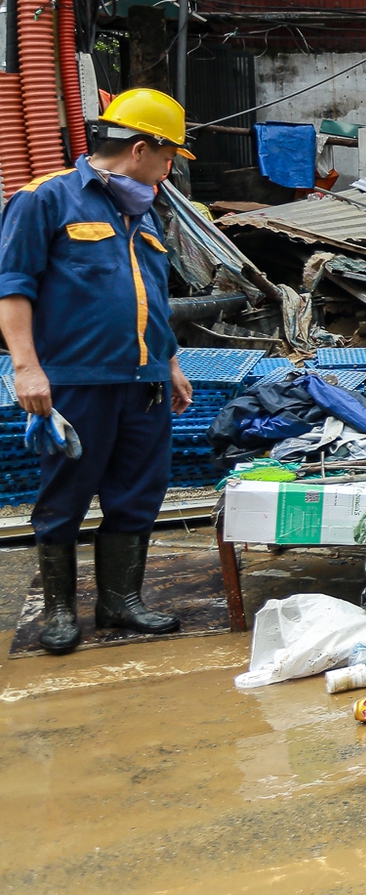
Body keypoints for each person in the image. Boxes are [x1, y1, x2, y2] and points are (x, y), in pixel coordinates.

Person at [0, 89, 195, 654]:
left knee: (138, 493)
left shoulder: (144, 210)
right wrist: (27, 368)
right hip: (77, 381)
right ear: (140, 149)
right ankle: (61, 612)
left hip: (145, 384)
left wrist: (171, 361)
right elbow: (13, 288)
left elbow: (152, 296)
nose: (169, 168)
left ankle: (120, 601)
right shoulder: (45, 199)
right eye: (169, 157)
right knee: (65, 494)